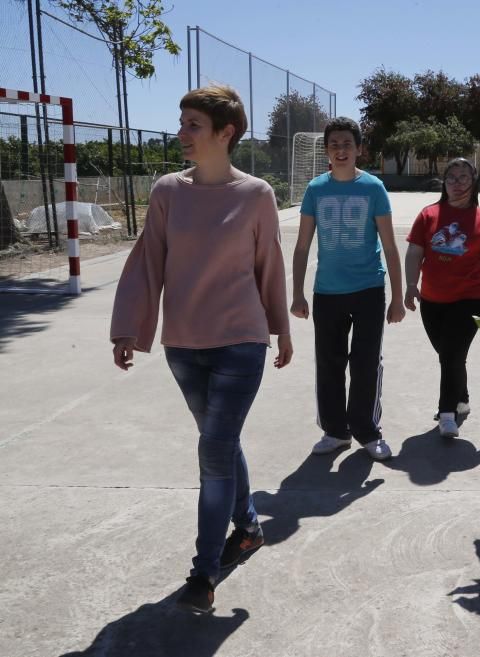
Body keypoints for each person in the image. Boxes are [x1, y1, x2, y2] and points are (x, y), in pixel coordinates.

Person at [110, 84, 293, 613]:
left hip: (241, 342)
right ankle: (250, 526)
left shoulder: (256, 194)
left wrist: (280, 329)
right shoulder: (168, 191)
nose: (182, 133)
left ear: (225, 133)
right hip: (183, 346)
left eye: (193, 124)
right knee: (221, 441)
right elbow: (148, 261)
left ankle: (204, 573)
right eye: (182, 122)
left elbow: (269, 268)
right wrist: (129, 327)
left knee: (213, 450)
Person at [291, 117, 404, 461]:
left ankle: (368, 431)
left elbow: (389, 245)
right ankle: (335, 431)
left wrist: (397, 297)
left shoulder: (373, 188)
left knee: (366, 362)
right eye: (334, 144)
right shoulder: (316, 189)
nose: (341, 150)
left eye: (347, 144)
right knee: (329, 363)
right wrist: (297, 293)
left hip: (369, 288)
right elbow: (302, 246)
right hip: (328, 291)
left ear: (359, 150)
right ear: (326, 150)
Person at [403, 158, 480, 438]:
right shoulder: (428, 215)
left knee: (450, 354)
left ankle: (447, 413)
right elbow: (415, 252)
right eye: (452, 177)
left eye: (464, 177)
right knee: (450, 355)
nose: (457, 182)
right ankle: (461, 398)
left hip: (470, 299)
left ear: (474, 181)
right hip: (432, 299)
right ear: (444, 182)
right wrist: (411, 284)